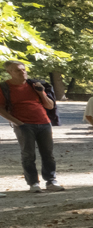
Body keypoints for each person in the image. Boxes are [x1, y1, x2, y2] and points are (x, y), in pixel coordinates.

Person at [0, 60, 64, 192]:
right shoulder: (4, 88)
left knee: (48, 154)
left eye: (23, 69)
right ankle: (33, 183)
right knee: (28, 155)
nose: (22, 72)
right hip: (24, 125)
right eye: (18, 70)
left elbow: (50, 106)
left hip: (44, 123)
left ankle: (51, 181)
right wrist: (18, 123)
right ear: (9, 72)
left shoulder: (34, 85)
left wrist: (40, 92)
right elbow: (1, 109)